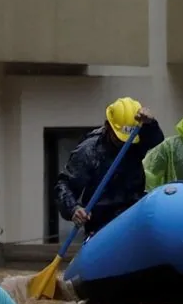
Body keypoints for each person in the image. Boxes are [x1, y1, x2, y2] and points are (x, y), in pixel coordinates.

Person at [54, 97, 163, 238]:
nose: (124, 143)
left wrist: (151, 124)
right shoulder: (89, 151)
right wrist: (73, 209)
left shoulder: (135, 139)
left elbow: (156, 140)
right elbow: (64, 185)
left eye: (128, 138)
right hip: (101, 224)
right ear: (108, 126)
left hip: (133, 217)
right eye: (119, 138)